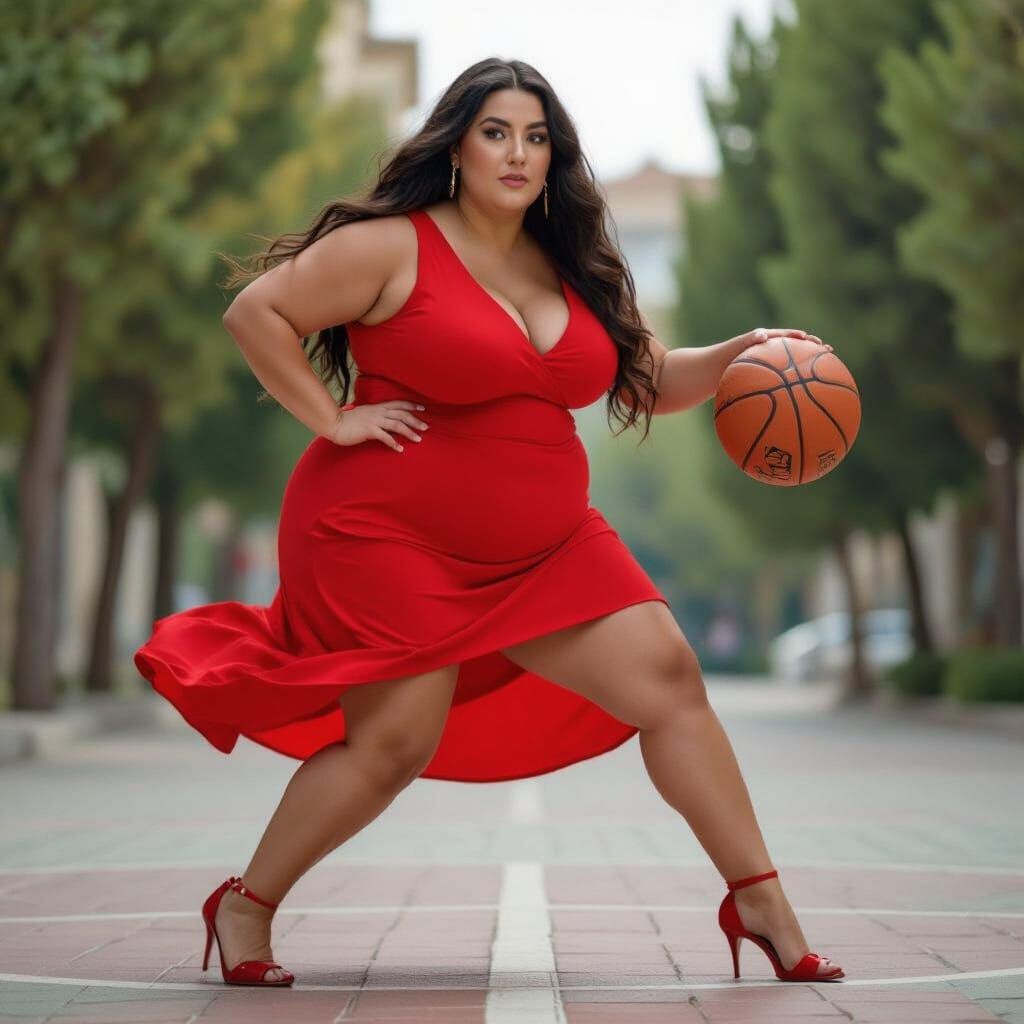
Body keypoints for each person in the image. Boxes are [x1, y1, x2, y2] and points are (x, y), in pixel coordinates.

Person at [135, 57, 843, 987]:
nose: (518, 152)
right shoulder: (393, 245)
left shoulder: (573, 262)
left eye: (537, 137)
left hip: (548, 546)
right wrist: (332, 417)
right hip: (384, 533)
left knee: (669, 677)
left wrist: (739, 357)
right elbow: (257, 312)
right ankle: (245, 905)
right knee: (393, 743)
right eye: (497, 132)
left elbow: (645, 380)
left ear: (555, 158)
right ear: (458, 146)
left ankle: (759, 898)